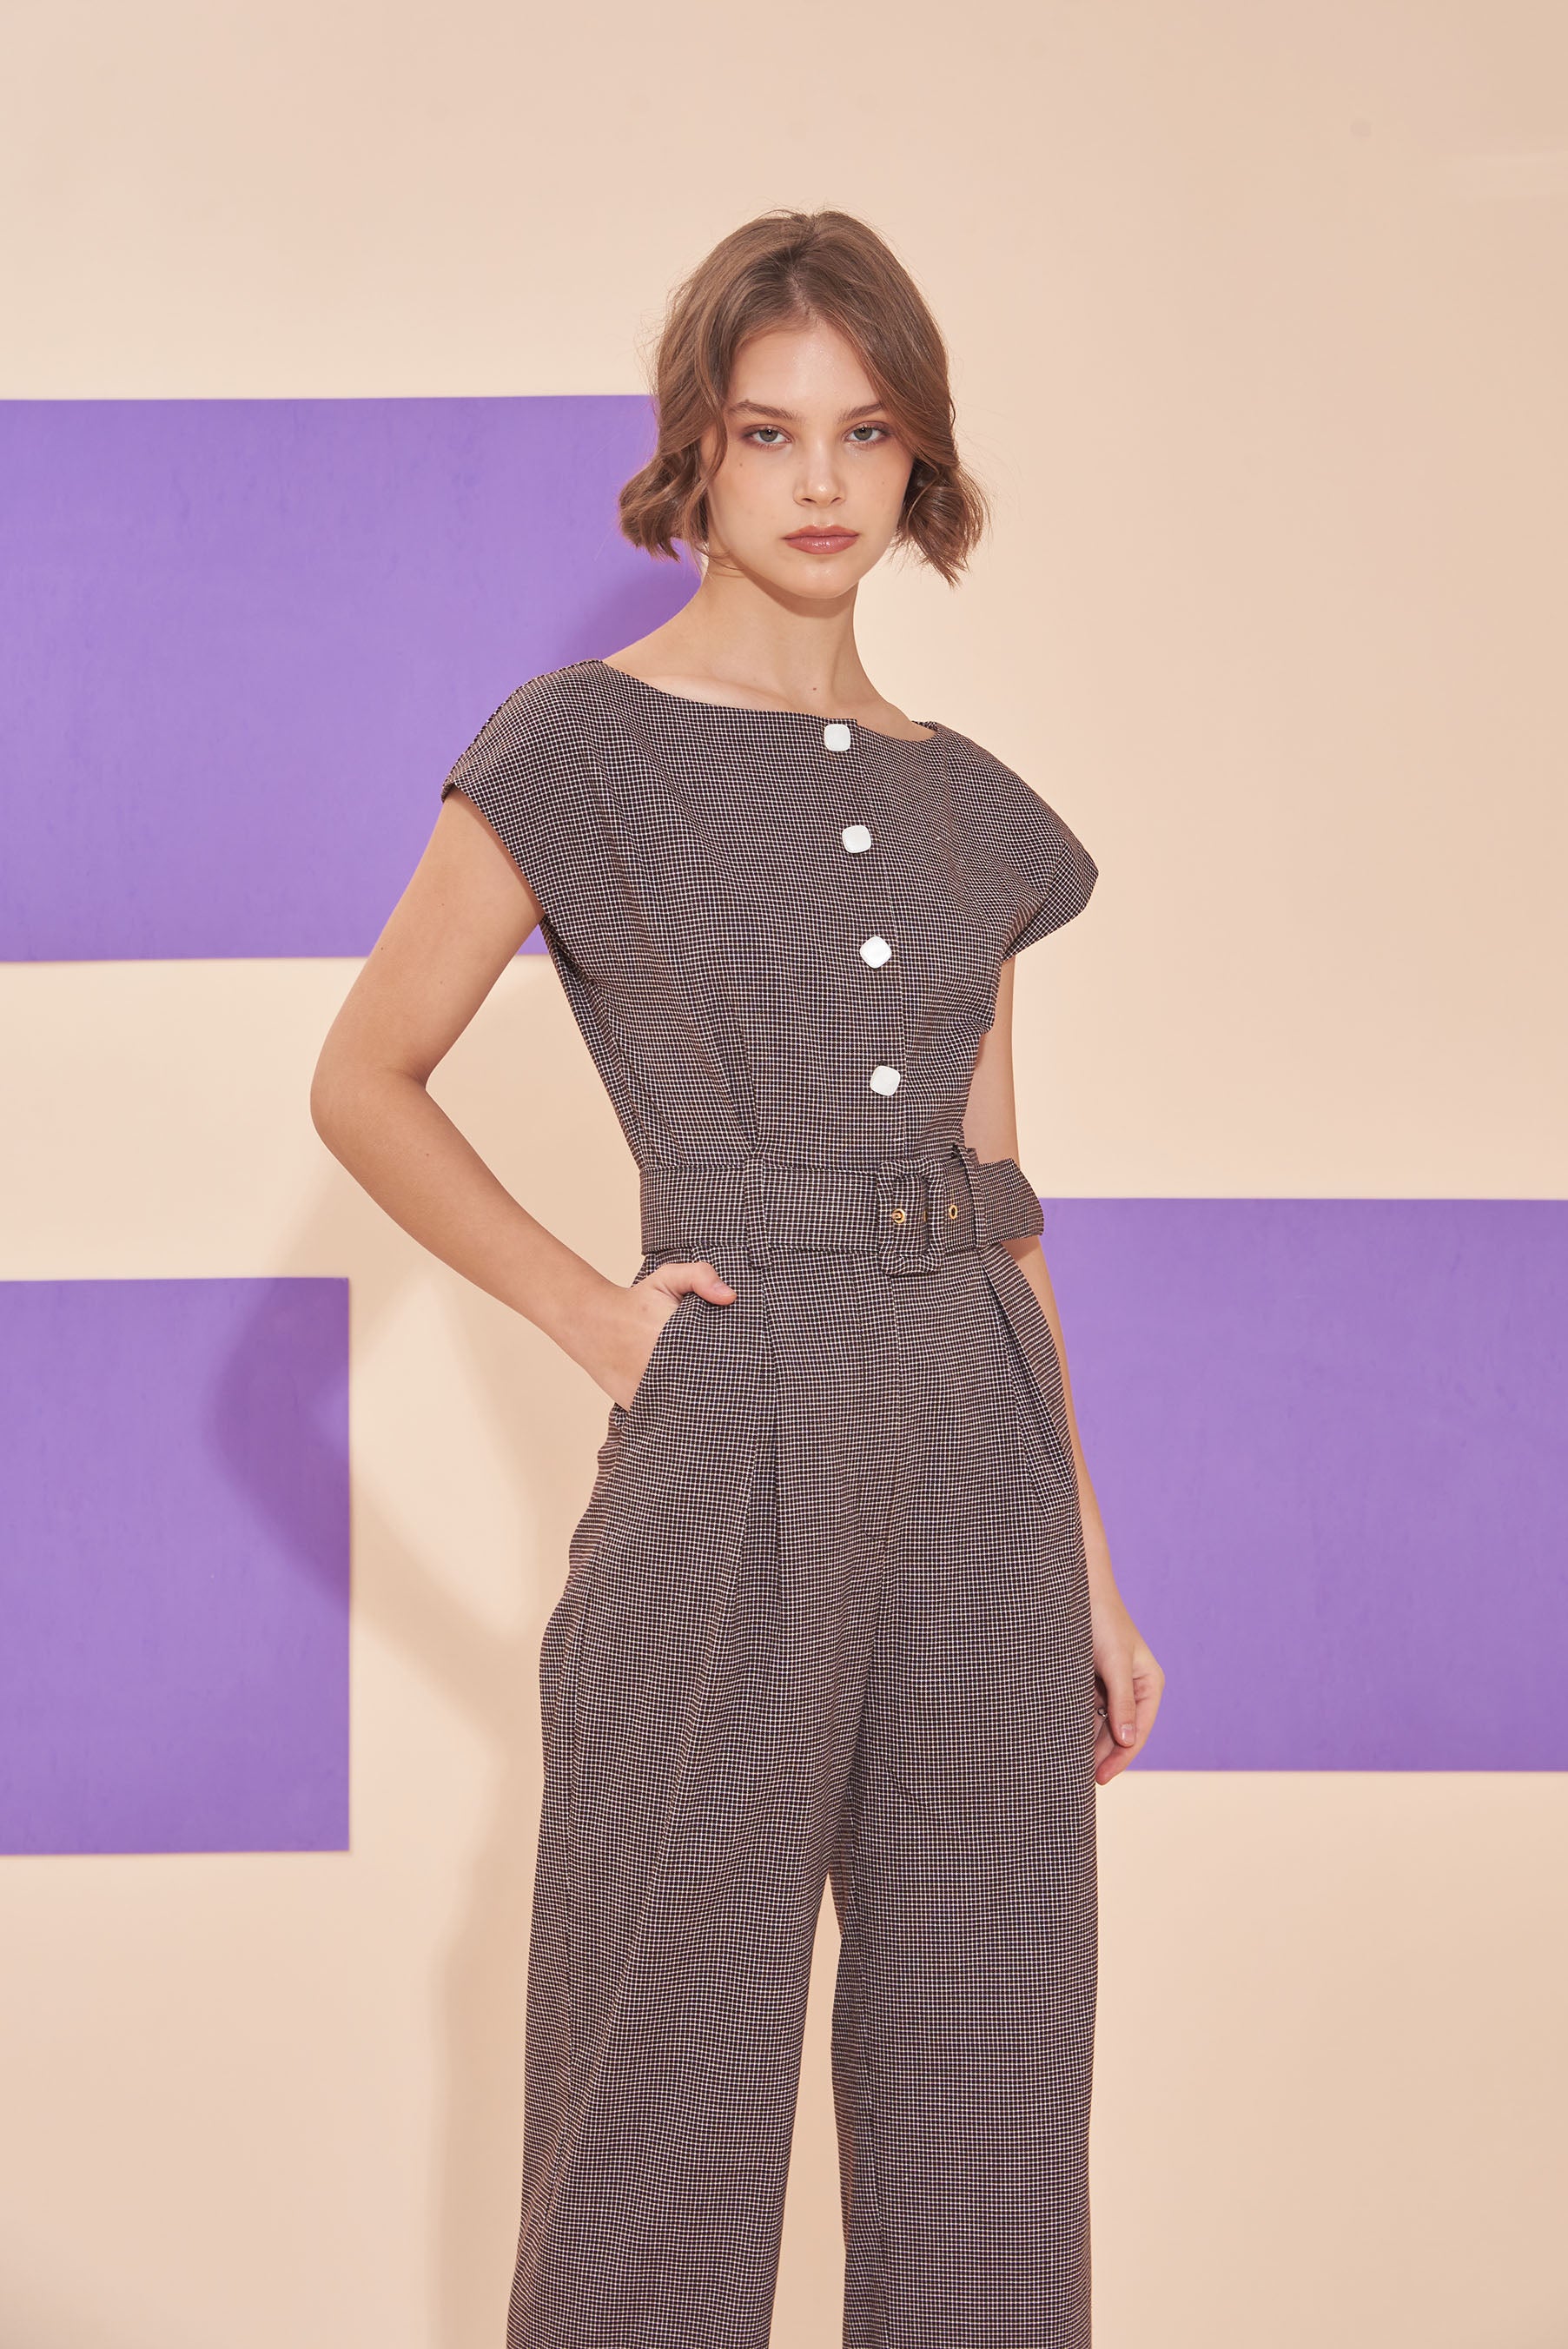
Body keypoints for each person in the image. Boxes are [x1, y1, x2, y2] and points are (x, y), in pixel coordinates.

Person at [311, 206, 1163, 2349]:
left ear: (918, 456)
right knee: (661, 2075)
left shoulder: (975, 812)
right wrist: (595, 1317)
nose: (819, 478)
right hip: (737, 1417)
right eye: (770, 430)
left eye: (865, 431)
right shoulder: (576, 748)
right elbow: (364, 1077)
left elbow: (1000, 1197)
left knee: (990, 2074)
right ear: (695, 449)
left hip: (978, 1440)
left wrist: (1083, 1559)